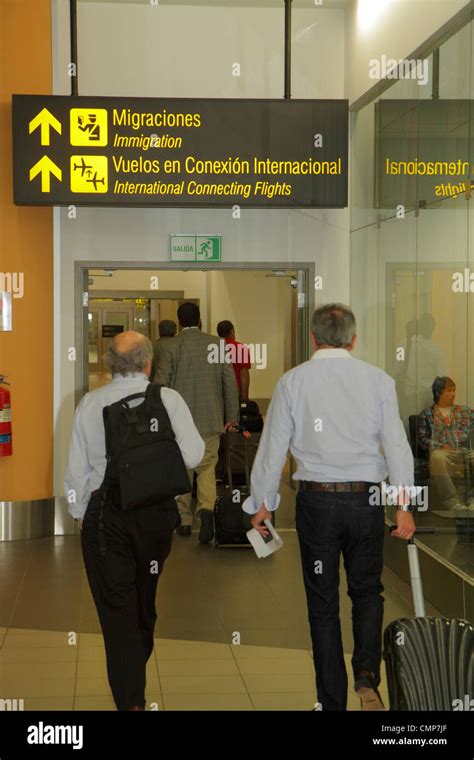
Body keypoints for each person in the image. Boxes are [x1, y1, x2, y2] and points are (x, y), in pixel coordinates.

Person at [243, 303, 416, 712]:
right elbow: (396, 446)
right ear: (353, 339)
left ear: (313, 338)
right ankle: (366, 677)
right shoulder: (378, 380)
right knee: (368, 591)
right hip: (366, 501)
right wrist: (404, 505)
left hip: (317, 501)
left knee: (322, 602)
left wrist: (262, 504)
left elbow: (272, 450)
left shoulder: (292, 382)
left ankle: (330, 700)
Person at [64, 331, 204, 711]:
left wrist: (80, 516)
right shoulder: (168, 399)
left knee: (117, 608)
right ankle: (133, 681)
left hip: (106, 521)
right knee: (145, 600)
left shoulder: (90, 404)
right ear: (148, 363)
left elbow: (76, 473)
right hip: (156, 519)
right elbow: (194, 455)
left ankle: (131, 699)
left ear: (110, 363)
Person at [155, 302, 240, 543]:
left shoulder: (171, 346)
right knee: (207, 467)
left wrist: (159, 417)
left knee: (182, 467)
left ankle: (183, 520)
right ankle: (206, 511)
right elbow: (229, 382)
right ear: (200, 319)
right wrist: (232, 416)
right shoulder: (217, 345)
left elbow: (161, 383)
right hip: (210, 418)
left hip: (178, 420)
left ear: (179, 321)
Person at [417, 376, 474, 510]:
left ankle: (472, 499)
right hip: (442, 452)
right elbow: (422, 439)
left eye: (454, 390)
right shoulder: (427, 414)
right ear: (438, 393)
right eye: (448, 391)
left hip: (463, 451)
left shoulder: (464, 411)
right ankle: (451, 501)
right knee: (437, 458)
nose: (453, 394)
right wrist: (439, 446)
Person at [216, 320, 251, 401]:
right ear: (232, 332)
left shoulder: (214, 349)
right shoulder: (241, 348)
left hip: (217, 393)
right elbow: (244, 373)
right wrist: (245, 396)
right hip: (235, 391)